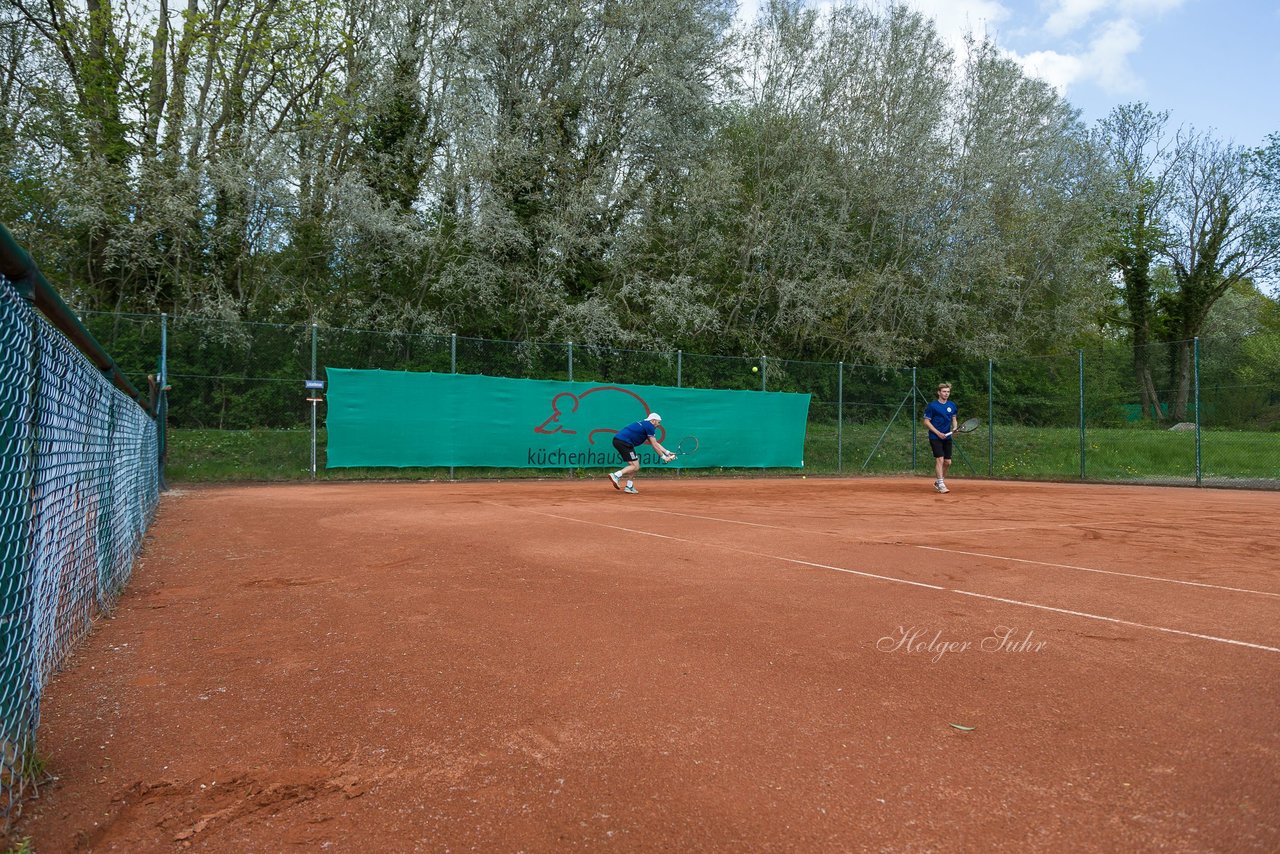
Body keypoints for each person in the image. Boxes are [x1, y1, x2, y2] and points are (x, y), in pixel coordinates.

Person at [608, 413, 675, 494]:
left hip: (618, 441)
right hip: (624, 442)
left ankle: (629, 486)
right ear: (653, 421)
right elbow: (654, 445)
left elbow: (655, 443)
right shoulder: (650, 426)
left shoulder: (645, 424)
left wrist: (667, 452)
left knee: (635, 465)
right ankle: (616, 475)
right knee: (634, 466)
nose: (659, 425)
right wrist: (664, 457)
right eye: (658, 422)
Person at [923, 383, 958, 493]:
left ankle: (939, 481)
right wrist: (937, 433)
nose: (946, 393)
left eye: (948, 392)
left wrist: (955, 427)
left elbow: (954, 419)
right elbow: (926, 421)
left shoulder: (952, 405)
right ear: (939, 392)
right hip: (935, 436)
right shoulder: (932, 406)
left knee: (948, 462)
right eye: (944, 391)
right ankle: (941, 484)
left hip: (947, 437)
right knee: (940, 459)